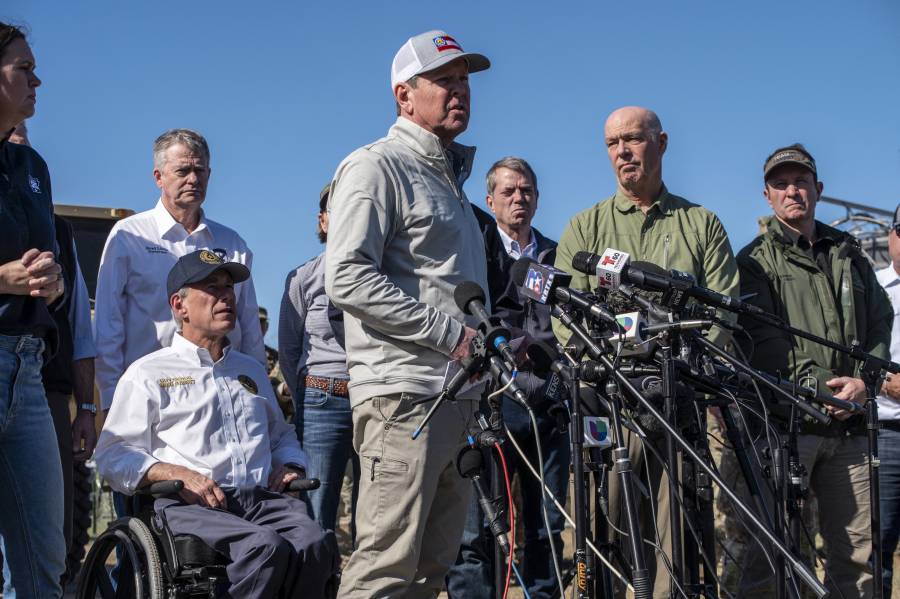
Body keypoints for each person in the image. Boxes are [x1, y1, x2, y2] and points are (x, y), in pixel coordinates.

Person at [324, 29, 491, 598]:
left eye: (464, 79)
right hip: (404, 397)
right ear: (404, 95)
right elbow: (345, 276)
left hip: (455, 397)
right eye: (444, 80)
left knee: (430, 573)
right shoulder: (377, 167)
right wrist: (452, 335)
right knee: (385, 569)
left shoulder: (451, 180)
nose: (459, 90)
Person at [553, 106, 740, 598]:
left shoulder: (700, 224)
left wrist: (680, 363)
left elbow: (723, 312)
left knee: (677, 541)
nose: (623, 152)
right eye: (613, 143)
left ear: (661, 142)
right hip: (610, 408)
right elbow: (563, 315)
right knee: (604, 535)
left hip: (679, 406)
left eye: (633, 139)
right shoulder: (585, 228)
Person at [94, 250, 338, 599]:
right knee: (264, 548)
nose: (226, 296)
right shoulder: (148, 373)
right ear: (180, 306)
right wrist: (169, 472)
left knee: (315, 543)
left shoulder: (250, 370)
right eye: (212, 288)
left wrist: (290, 463)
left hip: (261, 501)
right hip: (192, 507)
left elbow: (280, 434)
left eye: (229, 287)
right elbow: (112, 454)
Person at [736, 143, 891, 598]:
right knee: (777, 555)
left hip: (851, 430)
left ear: (818, 189)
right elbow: (765, 345)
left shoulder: (850, 253)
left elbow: (880, 319)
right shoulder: (753, 262)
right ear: (767, 195)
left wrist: (866, 381)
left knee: (857, 557)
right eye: (781, 184)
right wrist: (826, 390)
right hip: (790, 427)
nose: (792, 191)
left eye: (801, 182)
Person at [446, 157, 569, 598]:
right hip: (492, 402)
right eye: (509, 191)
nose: (519, 198)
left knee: (545, 527)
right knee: (479, 532)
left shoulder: (556, 253)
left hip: (549, 405)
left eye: (527, 191)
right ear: (490, 200)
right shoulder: (475, 254)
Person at [93, 128, 265, 414]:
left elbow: (248, 327)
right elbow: (108, 325)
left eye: (200, 170)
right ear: (158, 177)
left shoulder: (231, 243)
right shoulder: (130, 236)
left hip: (221, 394)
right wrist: (111, 398)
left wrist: (259, 394)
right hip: (149, 395)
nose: (193, 179)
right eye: (183, 170)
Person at [3, 122, 97, 592]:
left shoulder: (57, 228)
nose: (19, 142)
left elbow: (80, 325)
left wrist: (90, 406)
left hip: (44, 380)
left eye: (22, 136)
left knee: (50, 539)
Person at [0, 22, 68, 598]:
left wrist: (54, 284)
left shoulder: (34, 168)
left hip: (28, 373)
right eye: (24, 68)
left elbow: (51, 278)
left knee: (45, 558)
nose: (36, 79)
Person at [280, 182, 358, 535]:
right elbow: (289, 350)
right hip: (322, 400)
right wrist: (306, 402)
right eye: (336, 210)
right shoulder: (303, 279)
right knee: (316, 509)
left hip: (376, 399)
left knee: (378, 512)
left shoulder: (383, 276)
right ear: (323, 221)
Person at [877, 205, 900, 597]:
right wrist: (881, 380)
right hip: (883, 433)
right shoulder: (873, 287)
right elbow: (851, 347)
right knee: (874, 548)